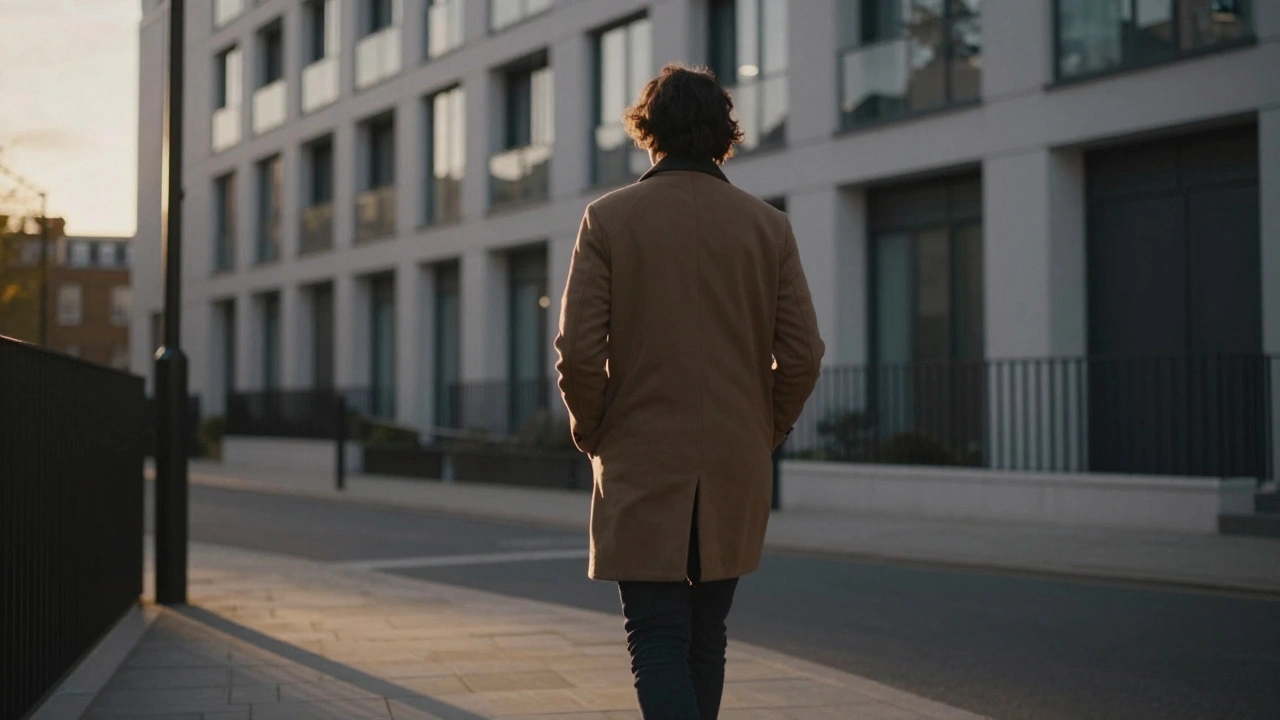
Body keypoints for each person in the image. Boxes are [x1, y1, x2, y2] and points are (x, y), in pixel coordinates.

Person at [554, 63, 824, 720]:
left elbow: (580, 352)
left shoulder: (608, 219)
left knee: (657, 638)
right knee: (707, 637)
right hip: (735, 458)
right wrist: (766, 428)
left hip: (643, 457)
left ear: (648, 133)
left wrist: (593, 431)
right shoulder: (768, 227)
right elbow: (803, 353)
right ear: (723, 135)